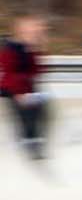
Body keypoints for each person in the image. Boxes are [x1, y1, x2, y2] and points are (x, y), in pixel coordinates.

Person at [2, 14, 50, 161]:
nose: (34, 32)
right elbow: (9, 71)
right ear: (20, 30)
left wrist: (39, 49)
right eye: (30, 29)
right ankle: (29, 143)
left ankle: (33, 141)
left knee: (39, 106)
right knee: (26, 111)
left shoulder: (29, 49)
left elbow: (37, 71)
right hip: (11, 88)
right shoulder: (9, 48)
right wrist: (18, 93)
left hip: (26, 88)